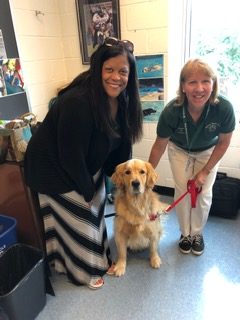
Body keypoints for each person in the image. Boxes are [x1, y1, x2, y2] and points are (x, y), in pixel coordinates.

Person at [24, 37, 143, 289]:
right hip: (52, 169)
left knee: (96, 209)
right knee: (83, 215)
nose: (116, 77)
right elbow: (70, 155)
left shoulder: (122, 101)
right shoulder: (78, 102)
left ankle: (88, 257)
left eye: (123, 71)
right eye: (109, 69)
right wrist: (86, 189)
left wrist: (119, 179)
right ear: (98, 69)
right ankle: (85, 271)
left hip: (85, 163)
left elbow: (122, 145)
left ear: (130, 75)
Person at [148, 58, 235, 256]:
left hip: (208, 151)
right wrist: (147, 175)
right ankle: (184, 234)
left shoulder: (224, 108)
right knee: (182, 190)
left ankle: (197, 234)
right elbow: (159, 145)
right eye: (192, 82)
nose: (199, 88)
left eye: (205, 81)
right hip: (179, 150)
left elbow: (223, 142)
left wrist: (205, 171)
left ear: (213, 84)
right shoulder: (172, 111)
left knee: (203, 192)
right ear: (183, 86)